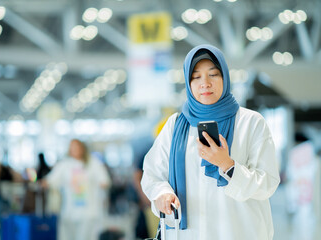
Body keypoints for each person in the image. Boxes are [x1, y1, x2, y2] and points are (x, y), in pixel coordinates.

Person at [141, 44, 280, 240]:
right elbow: (152, 174)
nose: (204, 83)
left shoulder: (250, 122)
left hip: (239, 233)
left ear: (225, 77)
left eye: (213, 75)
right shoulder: (176, 125)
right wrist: (162, 194)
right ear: (188, 83)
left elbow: (268, 183)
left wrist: (227, 165)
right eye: (196, 77)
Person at [42, 139, 111, 240]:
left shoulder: (93, 163)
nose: (75, 150)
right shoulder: (64, 164)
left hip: (88, 212)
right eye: (72, 147)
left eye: (77, 147)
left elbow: (104, 181)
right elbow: (51, 180)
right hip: (69, 212)